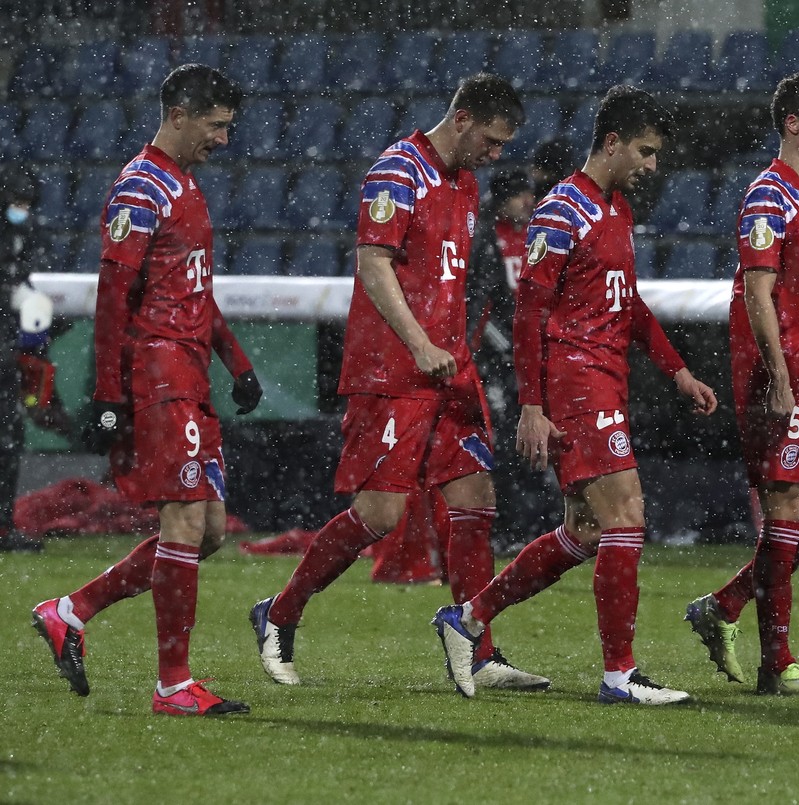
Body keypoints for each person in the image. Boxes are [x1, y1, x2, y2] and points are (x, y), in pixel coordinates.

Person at [250, 74, 546, 694]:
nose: (496, 156)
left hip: (448, 368)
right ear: (462, 118)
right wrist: (420, 343)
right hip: (392, 369)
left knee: (475, 497)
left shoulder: (465, 184)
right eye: (491, 141)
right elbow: (373, 263)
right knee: (379, 514)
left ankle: (479, 647)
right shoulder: (398, 169)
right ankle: (279, 614)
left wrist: (460, 352)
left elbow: (453, 284)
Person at [431, 85, 717, 705]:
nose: (652, 165)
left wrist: (677, 372)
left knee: (586, 531)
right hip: (576, 379)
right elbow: (530, 314)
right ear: (611, 142)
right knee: (627, 515)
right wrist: (532, 405)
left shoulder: (617, 209)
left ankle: (468, 619)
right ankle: (619, 674)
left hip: (606, 375)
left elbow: (630, 305)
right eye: (644, 152)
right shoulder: (564, 208)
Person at [31, 64, 259, 715]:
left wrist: (236, 362)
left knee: (210, 529)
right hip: (156, 378)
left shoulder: (185, 184)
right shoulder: (141, 185)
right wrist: (108, 394)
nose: (223, 140)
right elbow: (112, 297)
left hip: (191, 376)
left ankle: (69, 610)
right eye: (215, 125)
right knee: (184, 520)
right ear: (180, 114)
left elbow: (193, 288)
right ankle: (173, 684)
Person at [682, 72, 799, 696]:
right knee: (786, 513)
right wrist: (779, 377)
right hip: (785, 384)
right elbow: (758, 292)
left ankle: (724, 604)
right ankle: (776, 664)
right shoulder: (769, 196)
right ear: (793, 124)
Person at [466, 167, 560, 547]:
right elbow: (476, 302)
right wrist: (501, 346)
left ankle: (538, 526)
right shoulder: (484, 239)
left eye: (530, 193)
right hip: (497, 359)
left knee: (535, 444)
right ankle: (509, 527)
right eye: (521, 194)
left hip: (532, 356)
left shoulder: (538, 235)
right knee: (504, 441)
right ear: (503, 199)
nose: (529, 201)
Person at [1, 168, 45, 553]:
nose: (21, 211)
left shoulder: (25, 233)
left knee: (10, 436)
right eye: (16, 203)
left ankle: (3, 524)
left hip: (5, 346)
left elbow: (21, 280)